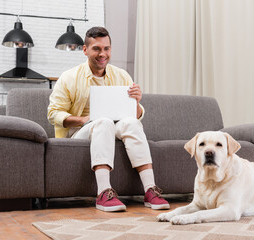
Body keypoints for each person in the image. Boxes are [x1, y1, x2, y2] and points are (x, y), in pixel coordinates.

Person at [47, 26, 170, 212]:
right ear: (85, 50)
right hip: (80, 132)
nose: (102, 53)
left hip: (115, 128)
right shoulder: (69, 77)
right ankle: (104, 193)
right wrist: (83, 120)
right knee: (103, 121)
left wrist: (137, 101)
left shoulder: (122, 75)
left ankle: (150, 190)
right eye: (96, 48)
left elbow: (135, 115)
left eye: (106, 48)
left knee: (132, 123)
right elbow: (53, 114)